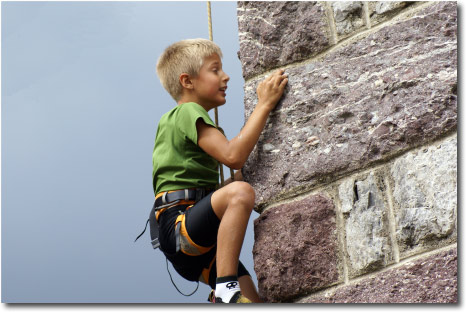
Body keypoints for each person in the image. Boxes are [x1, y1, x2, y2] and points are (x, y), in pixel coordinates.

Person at [152, 38, 288, 303]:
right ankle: (225, 287)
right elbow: (233, 156)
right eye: (215, 70)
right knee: (240, 193)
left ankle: (224, 292)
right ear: (187, 81)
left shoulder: (185, 122)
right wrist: (265, 104)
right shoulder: (187, 112)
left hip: (195, 244)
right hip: (180, 225)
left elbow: (228, 170)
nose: (225, 77)